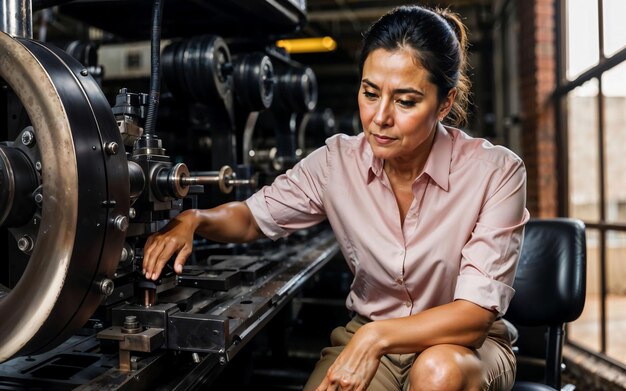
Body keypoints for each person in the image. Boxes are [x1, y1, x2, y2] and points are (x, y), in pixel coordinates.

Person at [143, 4, 530, 390]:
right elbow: (251, 217)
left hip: (462, 346)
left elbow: (474, 316)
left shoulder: (495, 172)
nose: (380, 117)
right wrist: (195, 220)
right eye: (370, 93)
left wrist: (374, 338)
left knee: (437, 372)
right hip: (370, 334)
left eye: (406, 101)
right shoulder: (336, 163)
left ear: (444, 103)